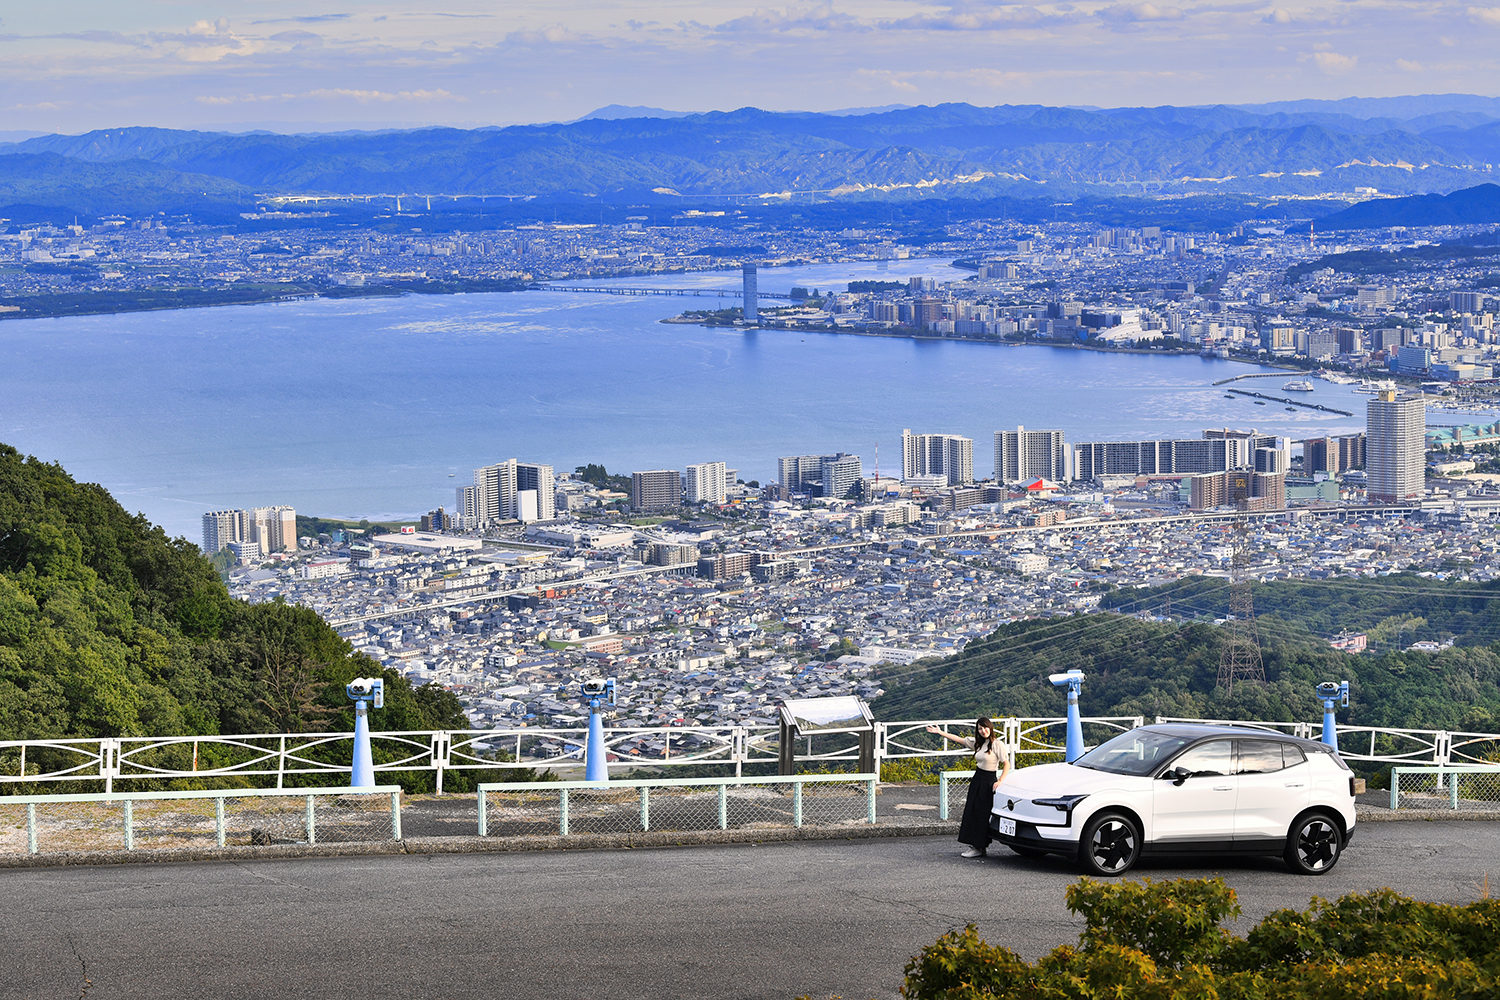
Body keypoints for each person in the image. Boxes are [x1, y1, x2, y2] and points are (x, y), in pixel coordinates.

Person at [927, 717, 1011, 858]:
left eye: (985, 727)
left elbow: (1006, 764)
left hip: (989, 781)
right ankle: (976, 847)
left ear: (990, 728)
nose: (983, 731)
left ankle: (980, 846)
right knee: (972, 812)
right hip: (977, 779)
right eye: (980, 728)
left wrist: (1000, 780)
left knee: (982, 814)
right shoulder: (978, 743)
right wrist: (941, 732)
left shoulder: (997, 744)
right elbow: (959, 740)